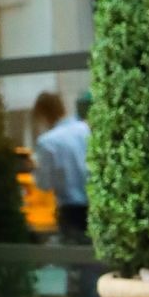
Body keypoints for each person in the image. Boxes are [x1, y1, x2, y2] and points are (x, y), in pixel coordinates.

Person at [31, 90, 91, 239]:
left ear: (42, 115)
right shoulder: (84, 129)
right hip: (95, 204)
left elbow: (44, 184)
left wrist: (33, 169)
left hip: (71, 211)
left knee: (76, 257)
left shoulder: (47, 142)